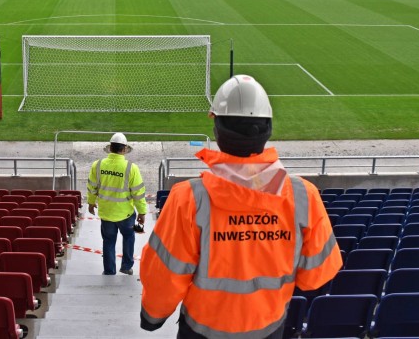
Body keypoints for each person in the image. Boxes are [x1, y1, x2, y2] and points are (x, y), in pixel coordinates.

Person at [139, 75, 342, 339]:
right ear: (267, 129)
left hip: (202, 331)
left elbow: (164, 276)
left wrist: (152, 317)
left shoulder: (188, 199)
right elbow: (316, 275)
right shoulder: (304, 196)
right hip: (269, 329)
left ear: (218, 131)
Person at [87, 132, 147, 276]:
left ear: (110, 148)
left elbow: (92, 187)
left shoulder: (98, 165)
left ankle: (109, 270)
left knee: (108, 241)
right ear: (124, 149)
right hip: (125, 214)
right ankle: (126, 267)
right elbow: (138, 193)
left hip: (106, 213)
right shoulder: (131, 168)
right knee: (128, 238)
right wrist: (142, 212)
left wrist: (90, 202)